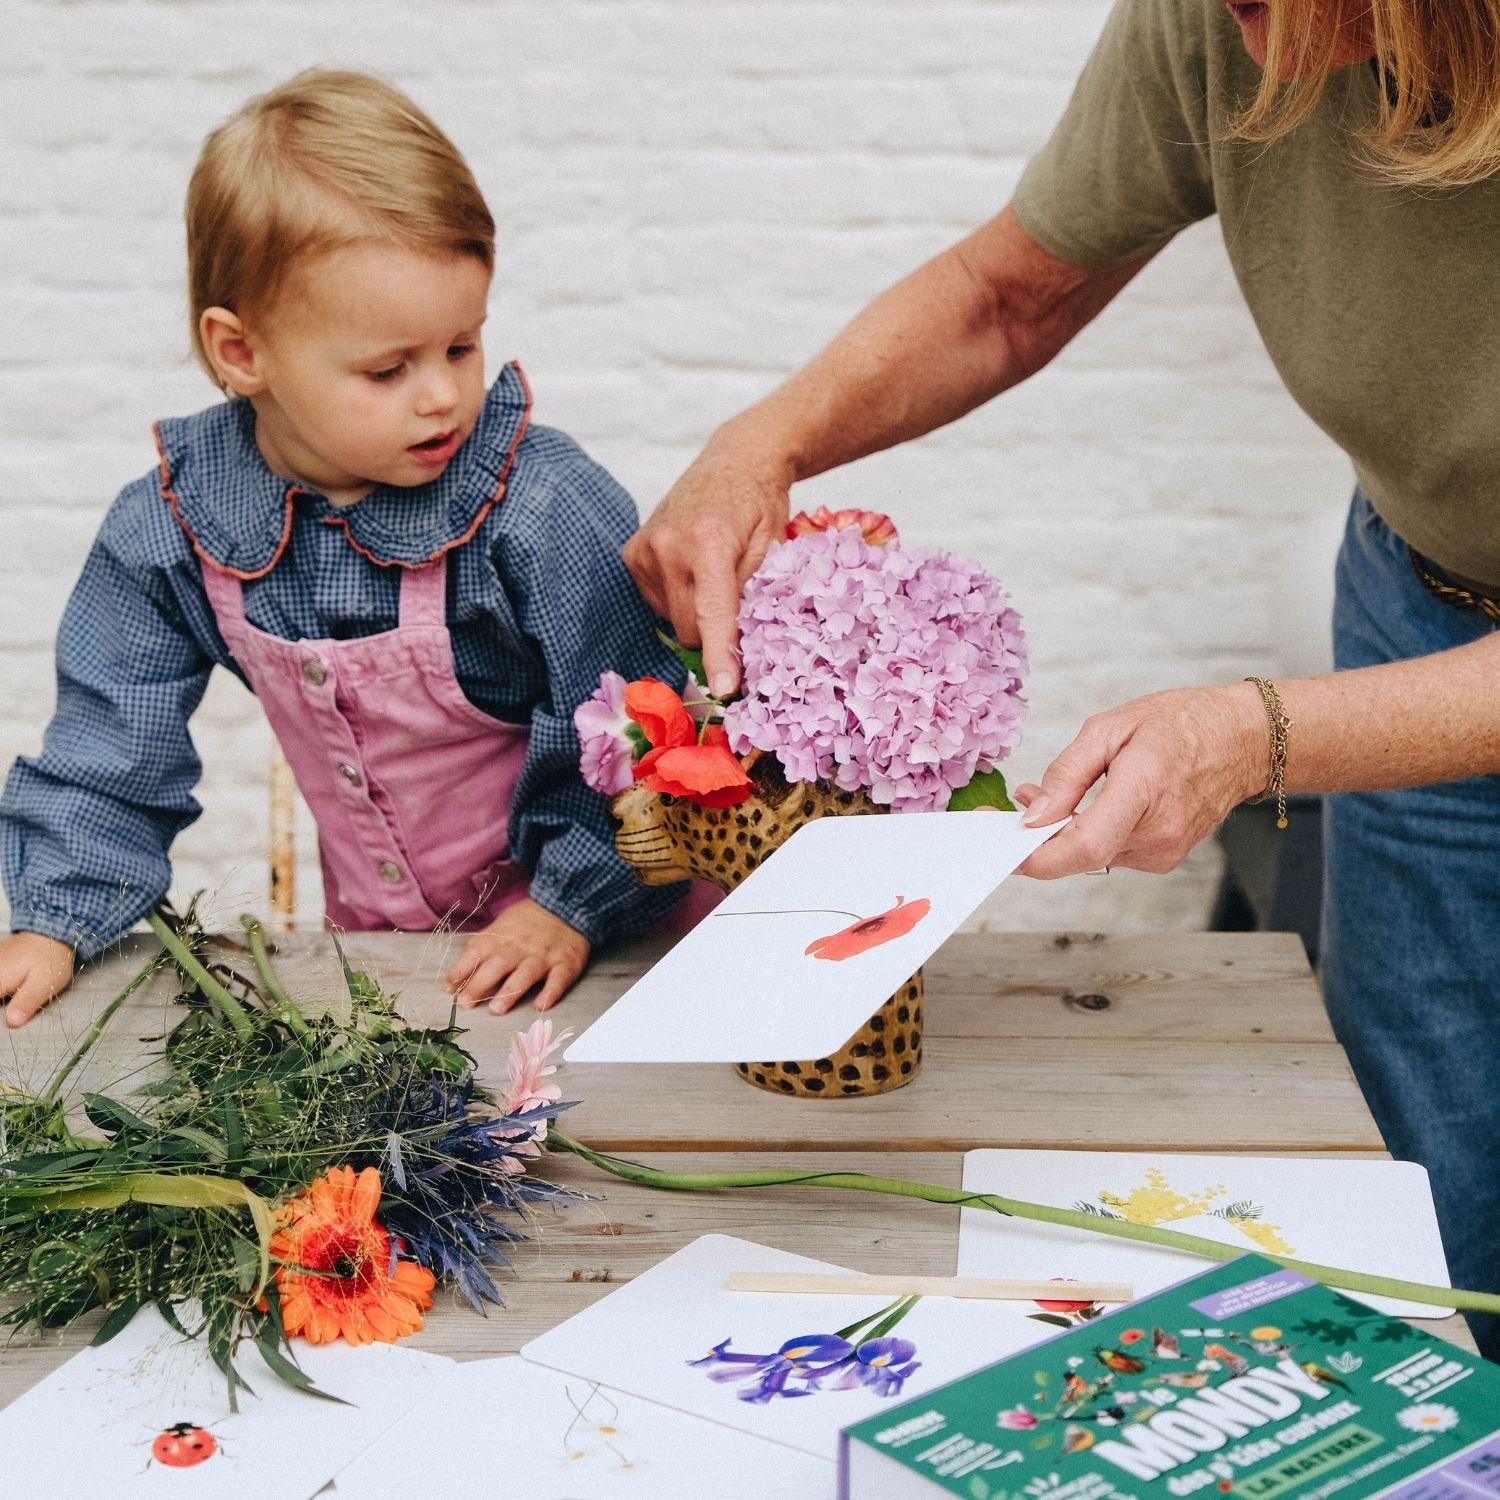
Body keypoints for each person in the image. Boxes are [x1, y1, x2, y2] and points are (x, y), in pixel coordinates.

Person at [624, 0, 1500, 1352]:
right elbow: (1009, 292)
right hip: (1419, 598)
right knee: (1436, 1190)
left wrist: (1252, 737)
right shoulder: (1217, 23)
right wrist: (770, 438)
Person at [0, 69, 690, 1028]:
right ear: (243, 353)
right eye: (388, 367)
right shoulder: (171, 529)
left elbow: (646, 732)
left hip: (612, 943)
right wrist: (55, 921)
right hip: (389, 958)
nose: (443, 394)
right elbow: (111, 748)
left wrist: (571, 903)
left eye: (461, 345)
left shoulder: (537, 506)